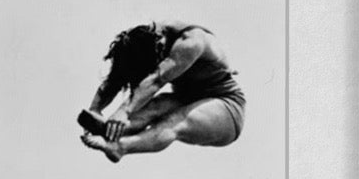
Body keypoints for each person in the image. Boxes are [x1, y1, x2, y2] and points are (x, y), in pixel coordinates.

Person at [77, 22, 247, 159]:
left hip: (227, 108)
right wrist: (95, 109)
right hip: (187, 98)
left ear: (160, 44)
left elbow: (157, 79)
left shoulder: (190, 42)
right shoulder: (142, 38)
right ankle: (110, 130)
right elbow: (117, 77)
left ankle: (119, 147)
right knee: (157, 104)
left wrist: (123, 111)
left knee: (174, 120)